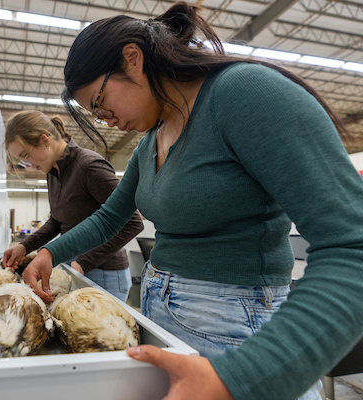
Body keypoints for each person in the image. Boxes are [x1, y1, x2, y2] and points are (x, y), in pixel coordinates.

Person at [21, 2, 363, 400]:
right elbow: (111, 216)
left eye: (100, 103)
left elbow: (351, 249)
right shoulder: (151, 139)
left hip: (239, 338)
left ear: (132, 59)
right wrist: (48, 253)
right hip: (163, 317)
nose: (106, 120)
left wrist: (242, 378)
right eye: (96, 116)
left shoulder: (245, 94)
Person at [2, 110, 144, 302]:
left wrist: (83, 263)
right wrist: (25, 246)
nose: (26, 164)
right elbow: (57, 221)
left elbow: (132, 222)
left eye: (25, 154)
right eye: (21, 159)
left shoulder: (89, 166)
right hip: (74, 264)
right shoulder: (53, 173)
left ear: (45, 140)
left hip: (103, 273)